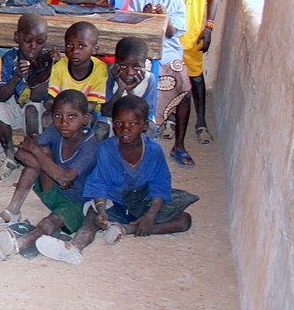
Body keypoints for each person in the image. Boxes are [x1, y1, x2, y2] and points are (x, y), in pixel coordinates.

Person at [34, 96, 195, 265]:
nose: (125, 129)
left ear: (145, 126)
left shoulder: (154, 150)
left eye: (134, 124)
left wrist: (150, 215)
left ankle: (126, 229)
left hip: (143, 201)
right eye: (119, 123)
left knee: (184, 220)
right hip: (114, 202)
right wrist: (101, 209)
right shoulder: (106, 148)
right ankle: (74, 247)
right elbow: (100, 182)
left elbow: (160, 184)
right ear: (112, 124)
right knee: (91, 219)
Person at [0, 90, 100, 257]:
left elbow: (66, 177)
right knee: (43, 153)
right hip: (54, 188)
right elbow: (20, 153)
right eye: (58, 116)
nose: (64, 122)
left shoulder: (91, 146)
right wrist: (49, 166)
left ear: (85, 119)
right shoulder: (56, 130)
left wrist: (37, 153)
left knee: (50, 222)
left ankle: (18, 245)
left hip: (76, 202)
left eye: (72, 116)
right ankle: (12, 211)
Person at [170, 0, 222, 161]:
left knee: (195, 79)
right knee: (169, 79)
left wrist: (208, 27)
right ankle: (169, 119)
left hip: (192, 33)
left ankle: (201, 120)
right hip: (170, 33)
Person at [129, 0, 192, 147]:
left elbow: (173, 33)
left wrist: (165, 19)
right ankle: (143, 124)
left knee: (182, 79)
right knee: (139, 74)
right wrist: (142, 17)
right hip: (141, 54)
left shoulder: (175, 2)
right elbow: (127, 30)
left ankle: (176, 138)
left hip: (167, 54)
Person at [0, 13, 52, 179]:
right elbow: (1, 96)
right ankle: (10, 156)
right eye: (27, 40)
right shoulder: (10, 58)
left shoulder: (47, 60)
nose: (33, 47)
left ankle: (32, 158)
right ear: (17, 37)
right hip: (14, 109)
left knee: (31, 108)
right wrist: (16, 76)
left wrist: (43, 74)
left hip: (34, 117)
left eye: (39, 42)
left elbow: (38, 97)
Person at [47, 21, 109, 115]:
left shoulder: (100, 69)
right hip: (61, 112)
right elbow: (50, 100)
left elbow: (92, 105)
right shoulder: (59, 66)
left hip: (86, 112)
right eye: (69, 45)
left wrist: (71, 114)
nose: (74, 51)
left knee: (90, 120)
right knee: (46, 116)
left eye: (81, 46)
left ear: (94, 49)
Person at [101, 38, 158, 135]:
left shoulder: (149, 80)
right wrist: (120, 90)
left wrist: (130, 90)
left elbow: (146, 114)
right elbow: (105, 111)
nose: (129, 72)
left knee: (150, 129)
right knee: (101, 127)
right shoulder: (110, 75)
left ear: (144, 65)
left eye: (136, 67)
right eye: (123, 66)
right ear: (116, 63)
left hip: (137, 122)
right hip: (114, 119)